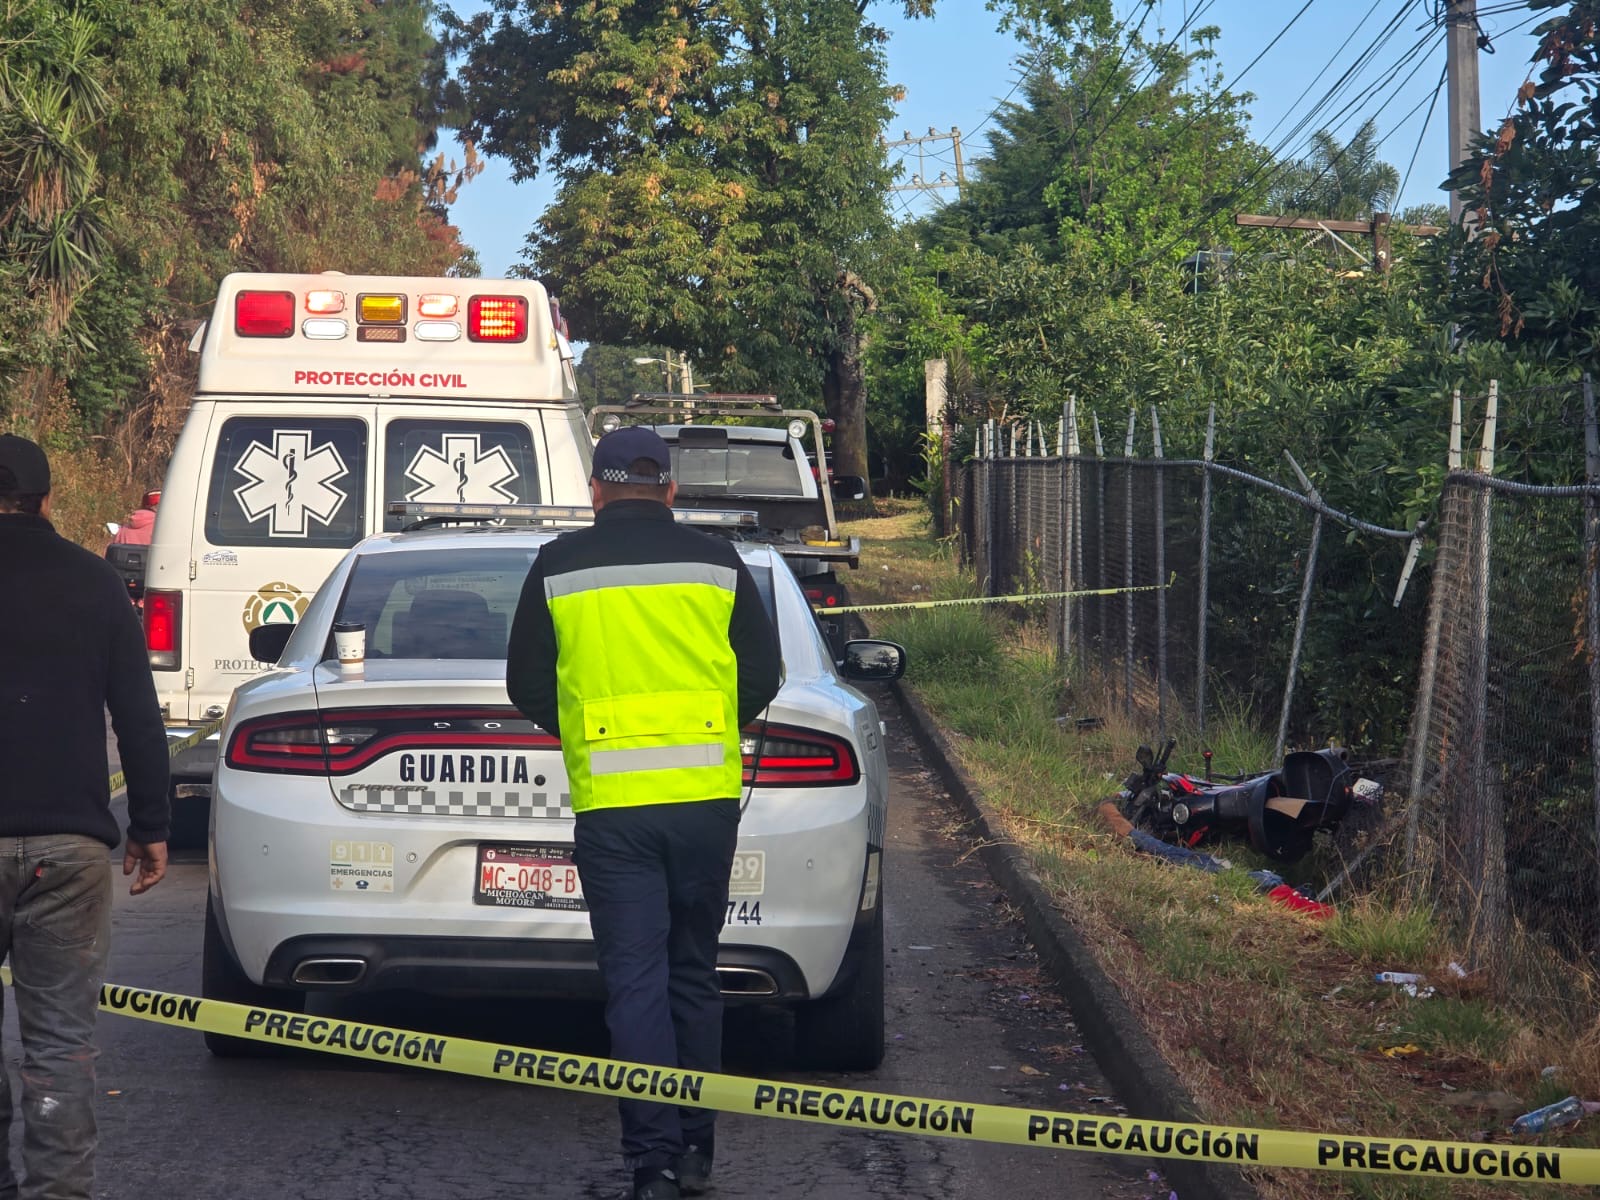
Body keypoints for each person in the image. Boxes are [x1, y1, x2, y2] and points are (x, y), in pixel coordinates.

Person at [507, 426, 780, 1200]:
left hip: (614, 807)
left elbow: (526, 682)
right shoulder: (717, 563)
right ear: (670, 490)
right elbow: (763, 671)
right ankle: (696, 1151)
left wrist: (590, 732)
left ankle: (651, 1160)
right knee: (693, 972)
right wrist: (705, 732)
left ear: (595, 490)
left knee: (634, 982)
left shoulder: (558, 565)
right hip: (703, 805)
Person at [0, 434, 171, 1200]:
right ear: (46, 500)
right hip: (68, 850)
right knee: (60, 1046)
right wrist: (152, 824)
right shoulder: (94, 584)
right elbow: (137, 713)